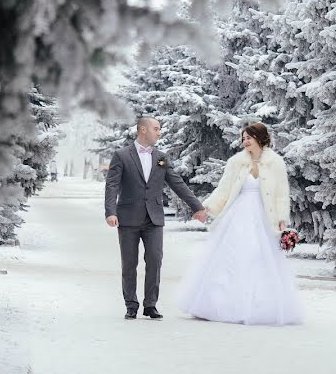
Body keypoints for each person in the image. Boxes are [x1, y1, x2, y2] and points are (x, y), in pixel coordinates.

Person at [177, 122, 305, 325]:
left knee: (258, 256)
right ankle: (219, 305)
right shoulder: (236, 162)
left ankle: (259, 307)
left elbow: (281, 194)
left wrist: (282, 221)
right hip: (238, 215)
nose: (245, 141)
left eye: (249, 137)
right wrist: (206, 208)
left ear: (260, 138)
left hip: (263, 216)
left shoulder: (275, 163)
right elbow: (224, 189)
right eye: (243, 138)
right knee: (231, 255)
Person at [104, 116, 208, 320]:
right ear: (143, 129)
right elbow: (112, 185)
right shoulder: (122, 155)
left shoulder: (161, 157)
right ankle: (131, 304)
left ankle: (150, 304)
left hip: (154, 219)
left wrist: (197, 207)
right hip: (128, 218)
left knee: (155, 260)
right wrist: (110, 212)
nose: (159, 132)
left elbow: (177, 183)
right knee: (129, 263)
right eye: (156, 128)